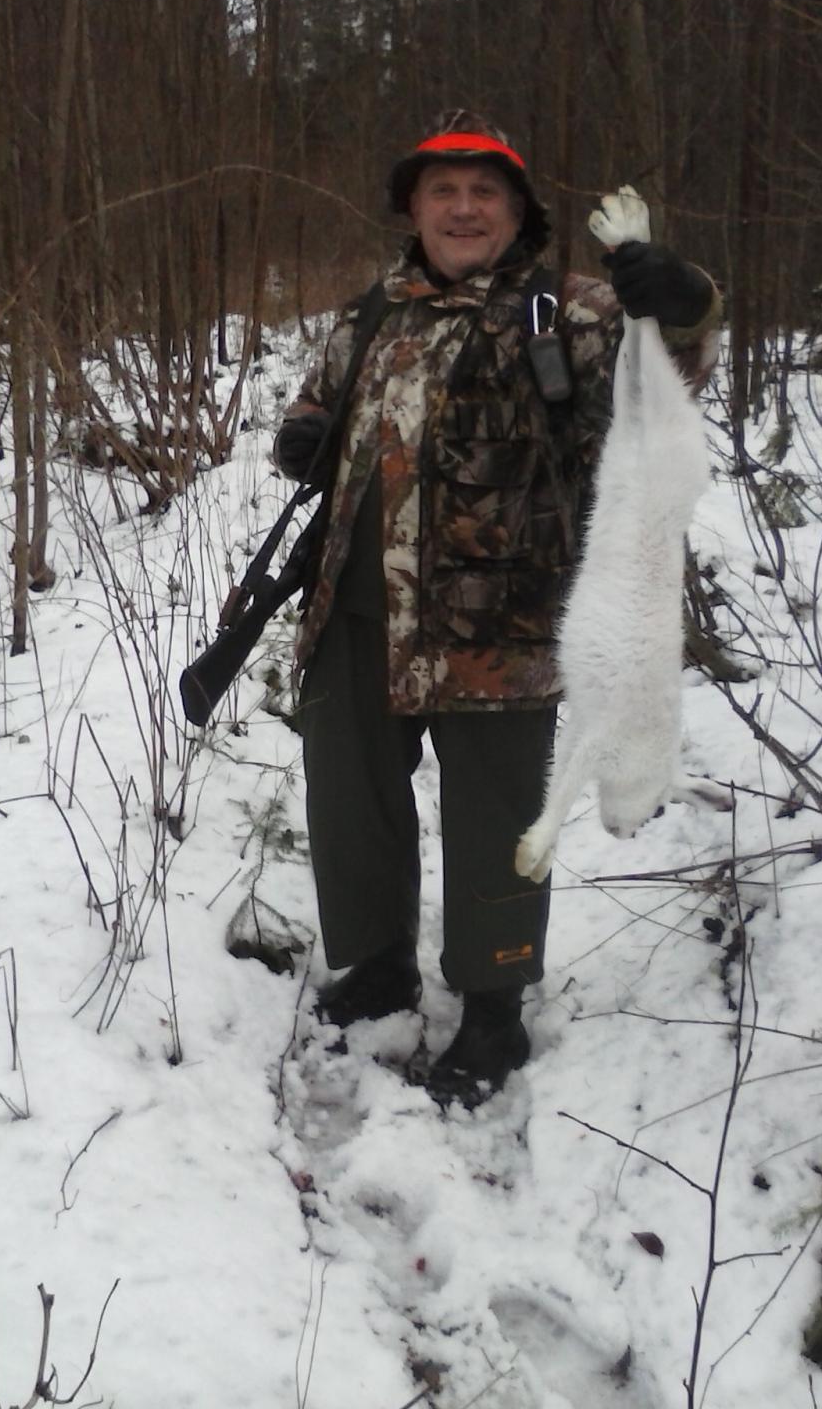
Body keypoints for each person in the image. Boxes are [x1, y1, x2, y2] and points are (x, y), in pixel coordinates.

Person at [275, 110, 721, 1108]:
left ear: (518, 211)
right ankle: (378, 969)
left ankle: (492, 1006)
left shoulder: (571, 309)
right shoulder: (372, 313)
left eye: (486, 191)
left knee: (496, 821)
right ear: (414, 208)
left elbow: (672, 375)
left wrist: (686, 304)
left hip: (502, 622)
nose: (464, 208)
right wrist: (301, 437)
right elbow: (316, 401)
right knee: (352, 803)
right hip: (354, 611)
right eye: (444, 190)